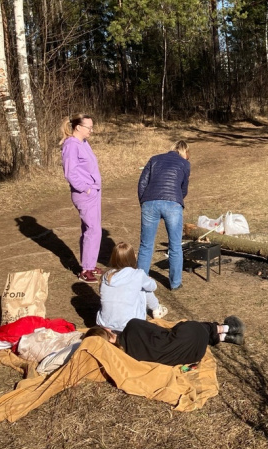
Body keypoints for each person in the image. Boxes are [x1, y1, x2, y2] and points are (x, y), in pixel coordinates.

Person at [137, 141, 191, 290]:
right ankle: (175, 283)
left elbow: (142, 183)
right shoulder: (185, 164)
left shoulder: (154, 159)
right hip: (173, 203)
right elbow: (183, 188)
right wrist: (177, 199)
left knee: (146, 245)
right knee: (175, 246)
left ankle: (140, 283)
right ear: (184, 152)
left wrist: (144, 201)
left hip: (150, 202)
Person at [84, 316, 245, 366]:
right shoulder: (133, 326)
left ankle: (225, 337)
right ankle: (225, 328)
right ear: (107, 330)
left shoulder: (125, 359)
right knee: (190, 327)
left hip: (193, 355)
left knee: (190, 333)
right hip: (191, 339)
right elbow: (162, 331)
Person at [60, 113, 102, 283]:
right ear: (78, 127)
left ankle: (90, 265)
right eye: (89, 127)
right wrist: (86, 189)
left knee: (92, 229)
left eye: (92, 127)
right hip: (85, 194)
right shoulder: (71, 145)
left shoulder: (83, 142)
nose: (91, 130)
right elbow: (70, 172)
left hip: (94, 192)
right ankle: (85, 270)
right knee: (93, 230)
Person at [97, 242, 167, 332]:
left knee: (137, 286)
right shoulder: (138, 274)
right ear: (134, 256)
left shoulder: (106, 275)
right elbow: (153, 287)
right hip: (131, 324)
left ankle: (156, 308)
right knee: (144, 287)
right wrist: (147, 279)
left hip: (105, 323)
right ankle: (156, 308)